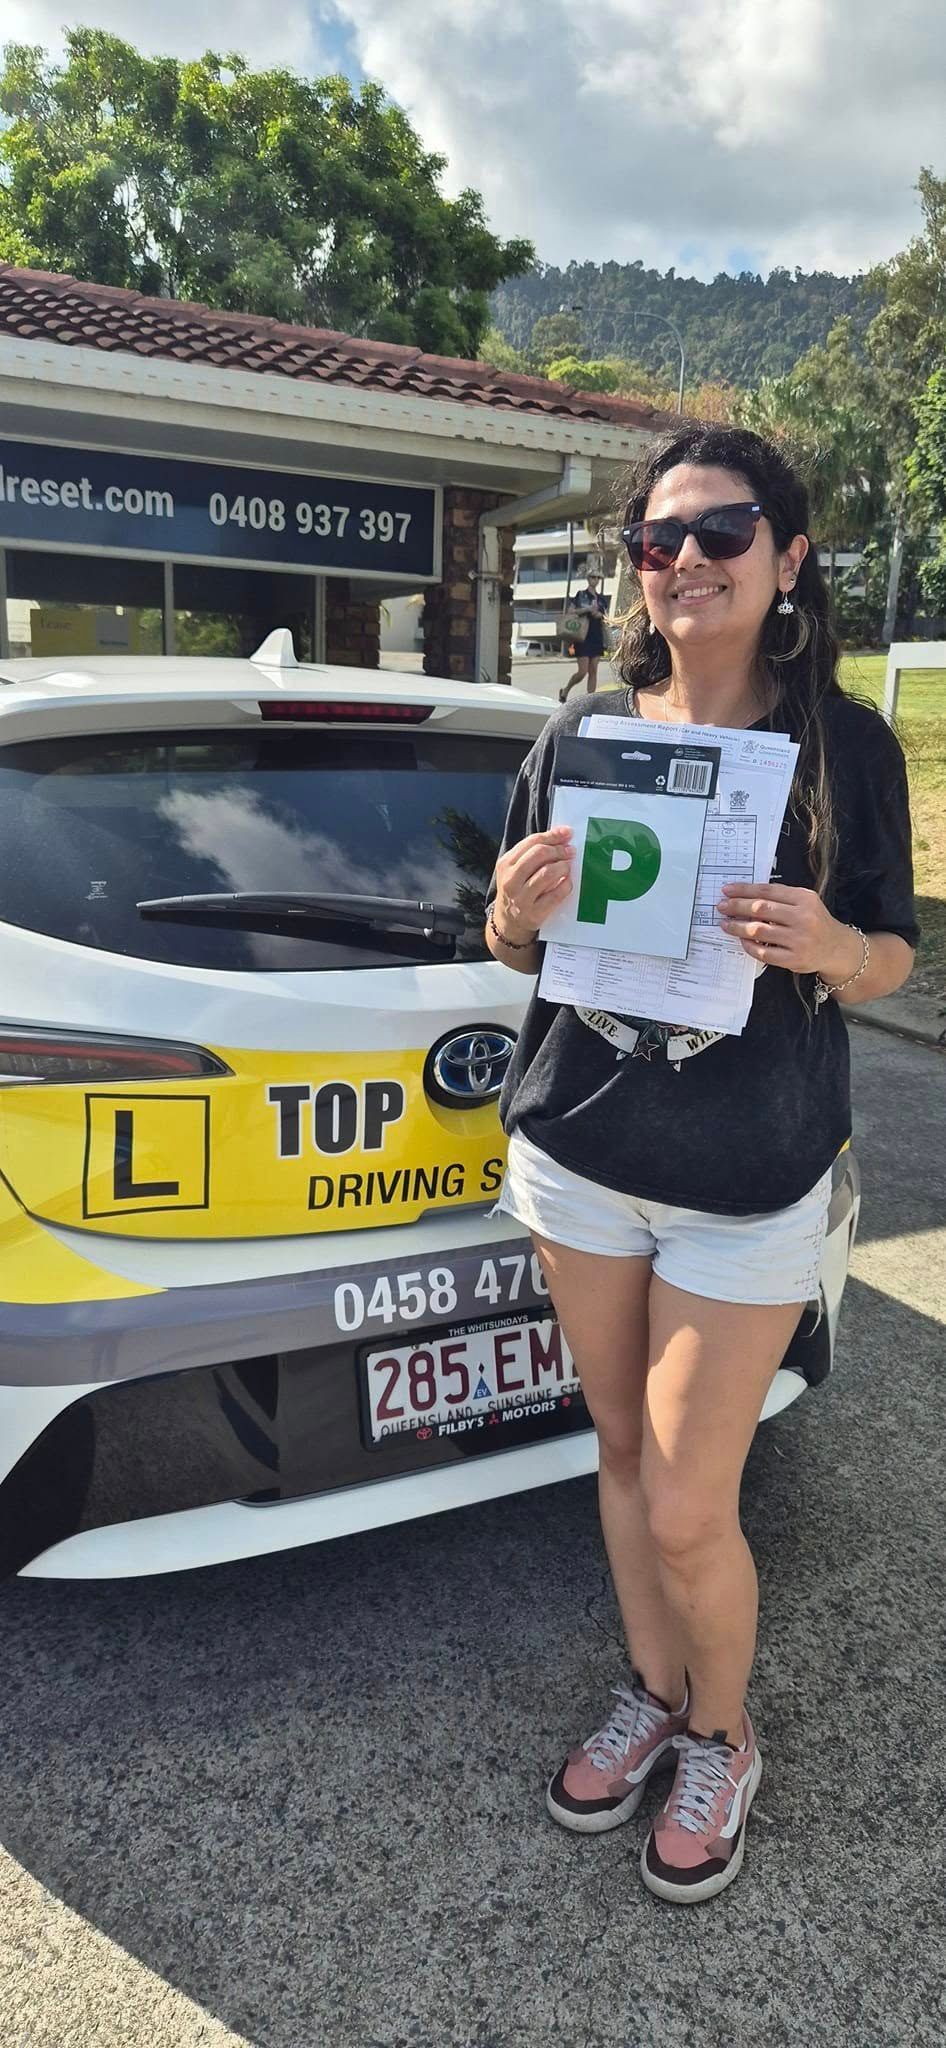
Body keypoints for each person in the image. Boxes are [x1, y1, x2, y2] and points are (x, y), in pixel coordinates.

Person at [485, 423, 918, 1905]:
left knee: (687, 1501)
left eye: (719, 533)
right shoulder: (585, 731)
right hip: (581, 1157)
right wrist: (511, 916)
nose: (682, 563)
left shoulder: (842, 748)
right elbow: (512, 944)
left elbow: (889, 954)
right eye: (655, 541)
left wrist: (834, 945)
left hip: (750, 1174)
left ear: (788, 557)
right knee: (616, 1456)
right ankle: (655, 1693)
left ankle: (723, 1735)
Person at [559, 569, 609, 702]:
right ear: (588, 578)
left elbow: (605, 616)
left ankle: (589, 700)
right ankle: (565, 690)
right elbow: (571, 612)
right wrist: (587, 609)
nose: (596, 580)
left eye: (598, 578)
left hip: (597, 636)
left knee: (593, 670)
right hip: (582, 636)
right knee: (582, 671)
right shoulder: (581, 595)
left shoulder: (602, 599)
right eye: (593, 577)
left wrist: (600, 615)